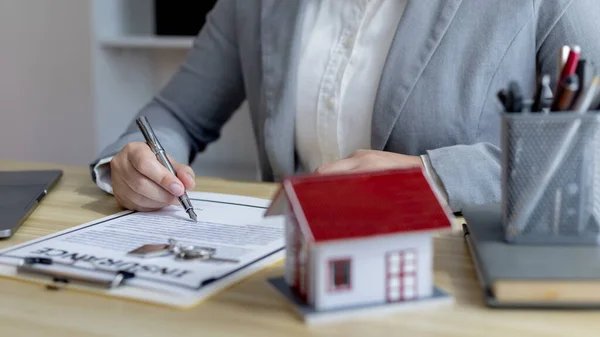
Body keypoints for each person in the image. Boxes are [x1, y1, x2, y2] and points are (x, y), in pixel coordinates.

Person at [90, 0, 600, 213]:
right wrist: (133, 162)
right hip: (285, 281)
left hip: (455, 287)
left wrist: (434, 178)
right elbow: (176, 115)